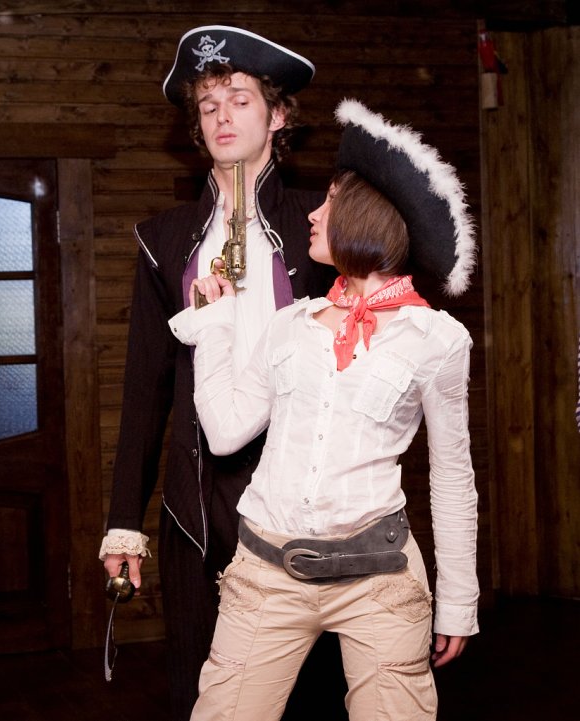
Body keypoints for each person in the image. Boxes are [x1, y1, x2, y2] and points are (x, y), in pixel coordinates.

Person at [171, 98, 480, 720]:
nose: (313, 213)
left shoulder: (438, 340)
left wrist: (457, 603)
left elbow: (453, 477)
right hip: (263, 577)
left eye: (330, 202)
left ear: (366, 216)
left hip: (381, 580)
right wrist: (216, 326)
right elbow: (225, 433)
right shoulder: (291, 325)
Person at [98, 25, 340, 721]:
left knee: (310, 692)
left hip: (305, 495)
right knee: (204, 686)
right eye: (208, 105)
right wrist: (123, 524)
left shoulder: (323, 224)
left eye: (239, 99)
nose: (222, 117)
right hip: (197, 498)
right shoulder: (163, 239)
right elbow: (145, 388)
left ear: (279, 115)